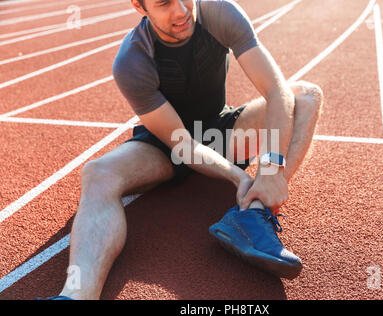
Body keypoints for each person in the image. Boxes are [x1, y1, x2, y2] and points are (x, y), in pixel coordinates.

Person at [46, 0, 323, 300]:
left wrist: (271, 168)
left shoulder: (219, 13)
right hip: (169, 145)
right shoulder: (133, 60)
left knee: (306, 96)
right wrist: (237, 177)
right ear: (139, 6)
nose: (180, 10)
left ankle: (254, 215)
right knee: (98, 173)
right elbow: (182, 143)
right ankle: (77, 295)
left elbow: (275, 89)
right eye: (164, 3)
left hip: (221, 131)